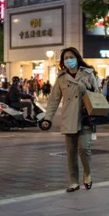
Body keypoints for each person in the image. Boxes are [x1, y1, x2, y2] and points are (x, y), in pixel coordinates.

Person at [44, 48, 98, 192]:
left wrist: (86, 87)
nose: (69, 60)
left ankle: (87, 174)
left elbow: (97, 95)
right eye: (66, 58)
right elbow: (54, 99)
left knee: (84, 148)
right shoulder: (61, 78)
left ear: (77, 58)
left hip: (85, 117)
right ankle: (73, 181)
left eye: (71, 57)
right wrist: (47, 118)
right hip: (68, 117)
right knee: (71, 152)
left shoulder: (88, 73)